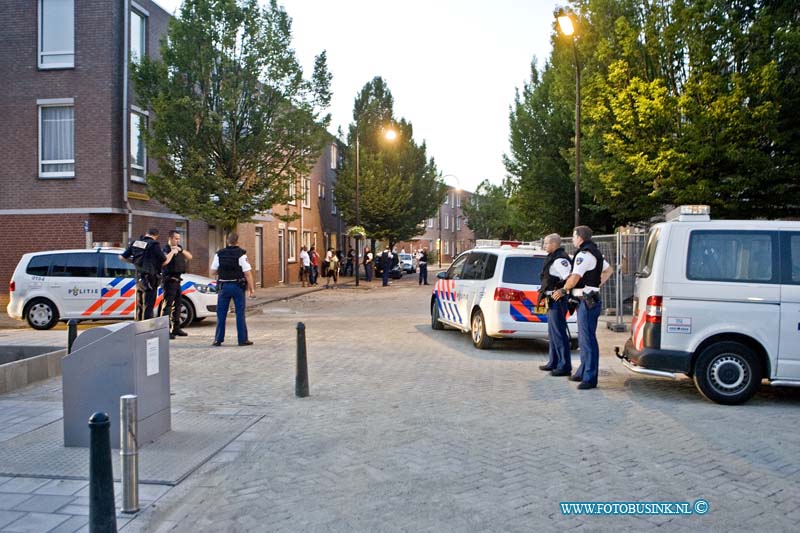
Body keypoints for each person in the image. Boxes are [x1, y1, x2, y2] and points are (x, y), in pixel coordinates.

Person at [552, 226, 613, 389]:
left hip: (587, 301)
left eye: (573, 236)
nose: (572, 239)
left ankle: (590, 378)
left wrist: (564, 289)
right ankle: (583, 371)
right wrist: (596, 284)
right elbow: (609, 270)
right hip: (588, 299)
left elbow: (575, 276)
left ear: (580, 237)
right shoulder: (594, 252)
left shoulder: (584, 254)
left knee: (587, 340)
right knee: (585, 338)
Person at [121, 228, 178, 321]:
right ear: (156, 236)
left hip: (139, 279)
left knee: (139, 306)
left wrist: (135, 262)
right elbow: (164, 261)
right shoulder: (154, 245)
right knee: (148, 306)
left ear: (146, 233)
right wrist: (172, 252)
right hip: (150, 279)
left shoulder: (136, 243)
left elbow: (122, 257)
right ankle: (146, 330)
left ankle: (138, 328)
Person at [210, 233, 255, 347]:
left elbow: (213, 271)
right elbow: (247, 273)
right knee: (240, 313)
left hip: (223, 287)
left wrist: (223, 269)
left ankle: (218, 339)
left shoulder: (219, 254)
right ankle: (242, 339)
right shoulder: (241, 254)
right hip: (237, 286)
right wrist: (251, 288)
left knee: (221, 313)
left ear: (227, 241)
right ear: (237, 241)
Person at [537, 234, 573, 376]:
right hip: (551, 299)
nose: (544, 246)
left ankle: (564, 366)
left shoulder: (560, 260)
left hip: (557, 300)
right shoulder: (553, 257)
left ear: (553, 243)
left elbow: (570, 277)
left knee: (559, 334)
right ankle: (554, 362)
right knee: (552, 333)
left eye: (546, 243)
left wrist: (563, 291)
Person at [159, 230, 193, 339]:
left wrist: (181, 250)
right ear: (170, 238)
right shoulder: (166, 249)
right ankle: (164, 330)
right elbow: (164, 261)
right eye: (176, 238)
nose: (178, 240)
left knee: (177, 305)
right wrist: (172, 252)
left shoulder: (179, 248)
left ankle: (176, 328)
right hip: (169, 280)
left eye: (179, 238)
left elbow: (190, 257)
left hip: (177, 280)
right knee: (167, 306)